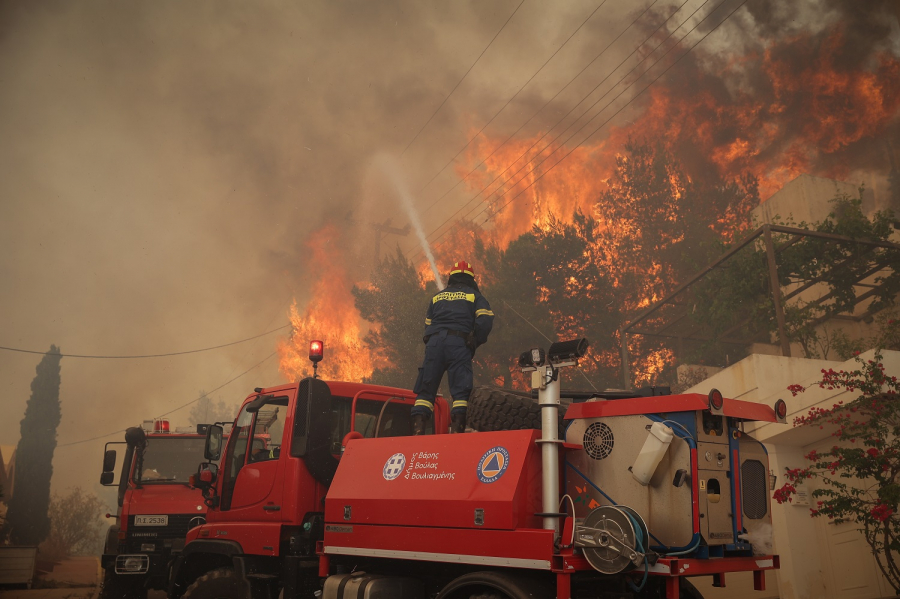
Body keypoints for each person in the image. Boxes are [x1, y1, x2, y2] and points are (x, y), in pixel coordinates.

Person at [411, 260, 494, 435]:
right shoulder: (474, 296)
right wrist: (475, 340)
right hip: (458, 343)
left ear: (451, 278)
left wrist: (433, 343)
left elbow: (428, 324)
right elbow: (485, 320)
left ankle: (418, 429)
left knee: (427, 386)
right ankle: (457, 430)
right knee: (460, 389)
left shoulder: (437, 297)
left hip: (434, 344)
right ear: (471, 279)